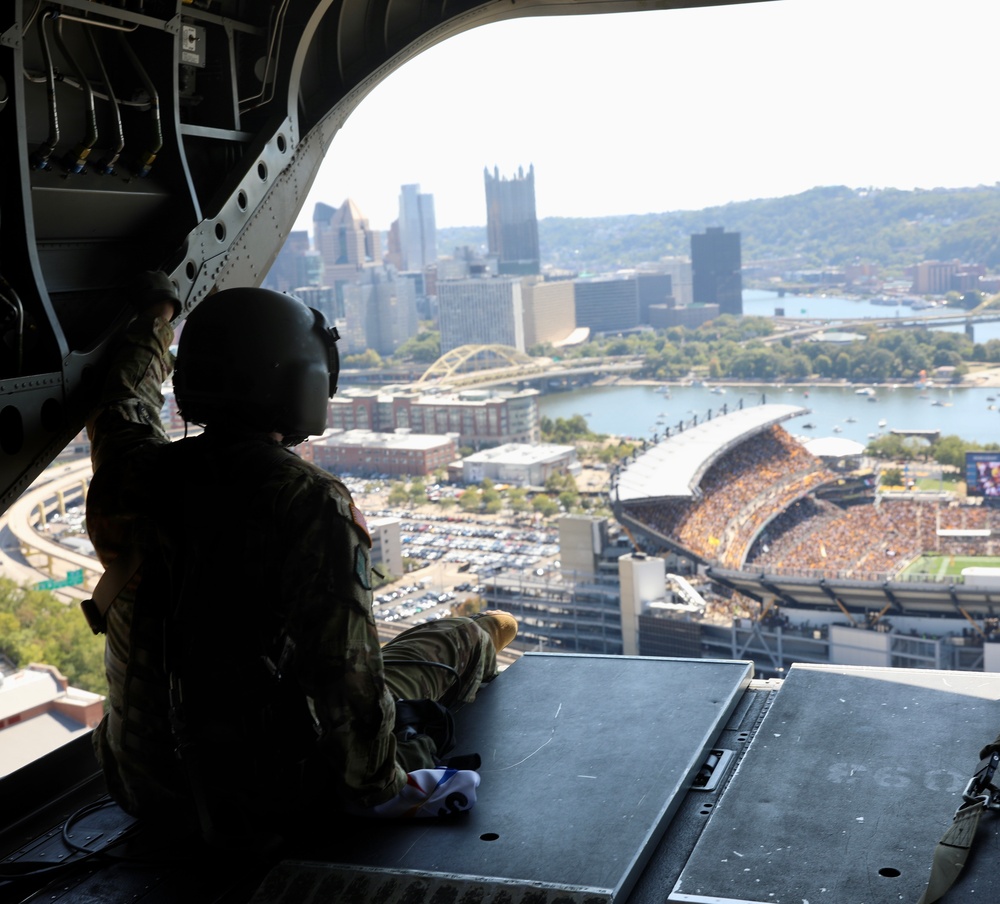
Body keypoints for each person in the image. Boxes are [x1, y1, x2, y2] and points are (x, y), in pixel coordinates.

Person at [83, 273, 517, 845]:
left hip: (139, 783)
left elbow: (123, 399)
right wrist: (385, 792)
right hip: (258, 803)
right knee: (460, 638)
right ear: (304, 382)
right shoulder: (309, 501)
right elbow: (347, 675)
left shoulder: (131, 468)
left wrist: (156, 320)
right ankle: (485, 635)